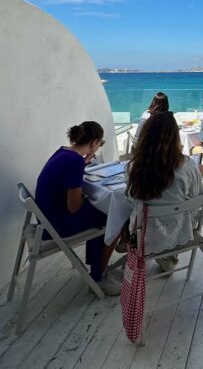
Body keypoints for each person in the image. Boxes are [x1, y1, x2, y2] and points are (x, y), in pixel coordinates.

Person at [35, 121, 121, 295]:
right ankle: (98, 275)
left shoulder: (64, 152)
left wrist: (82, 164)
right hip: (56, 225)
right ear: (94, 142)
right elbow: (74, 207)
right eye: (100, 143)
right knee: (112, 216)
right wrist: (85, 194)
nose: (99, 147)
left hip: (45, 218)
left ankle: (96, 266)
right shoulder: (74, 162)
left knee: (101, 211)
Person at [126, 112, 203, 272]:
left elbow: (131, 201)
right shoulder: (188, 167)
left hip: (143, 237)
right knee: (177, 214)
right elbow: (197, 203)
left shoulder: (133, 167)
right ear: (175, 137)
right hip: (181, 234)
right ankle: (168, 256)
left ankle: (162, 255)